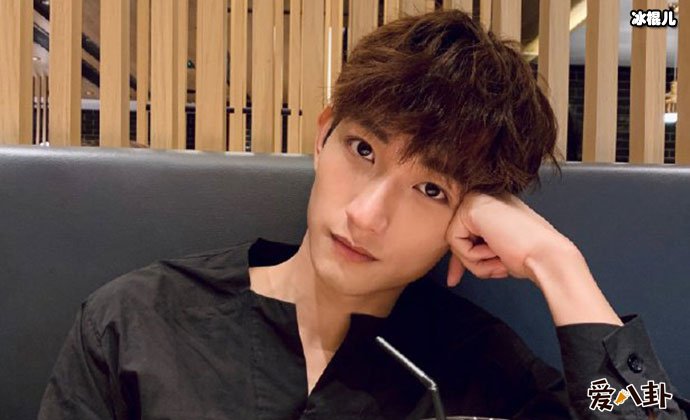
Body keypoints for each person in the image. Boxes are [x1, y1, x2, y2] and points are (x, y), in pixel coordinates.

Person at [39, 9, 688, 420]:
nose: (368, 214)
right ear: (323, 134)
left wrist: (559, 264)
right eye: (363, 150)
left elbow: (647, 412)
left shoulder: (483, 366)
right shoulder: (138, 321)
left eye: (430, 190)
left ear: (472, 221)